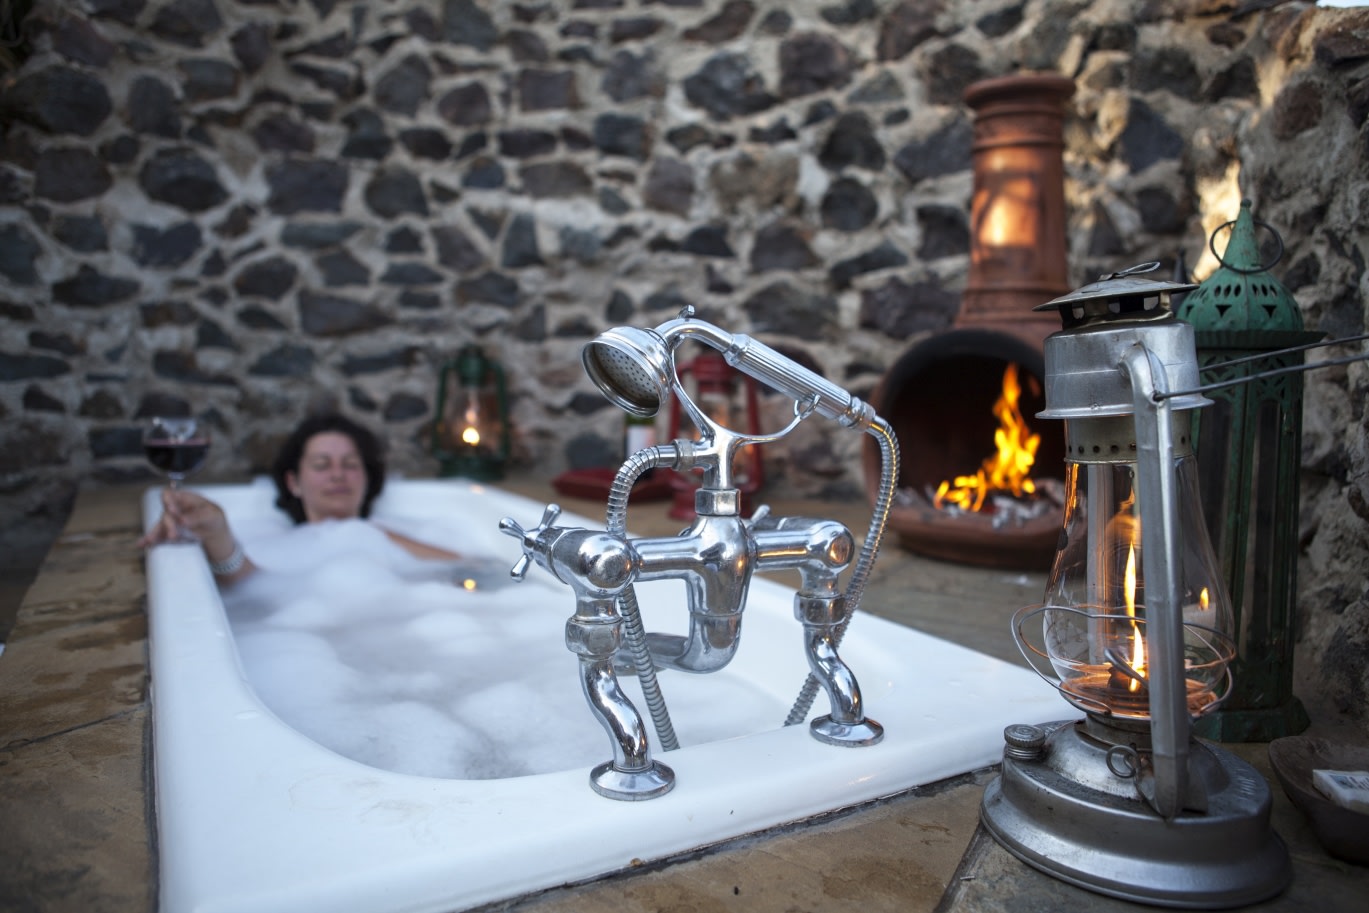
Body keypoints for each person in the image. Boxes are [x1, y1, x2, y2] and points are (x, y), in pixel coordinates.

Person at [140, 412, 461, 583]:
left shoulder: (385, 537)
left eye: (350, 464)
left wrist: (374, 535)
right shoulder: (283, 546)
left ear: (368, 477)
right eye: (322, 465)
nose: (337, 474)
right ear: (293, 482)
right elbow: (244, 580)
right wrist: (216, 530)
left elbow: (474, 569)